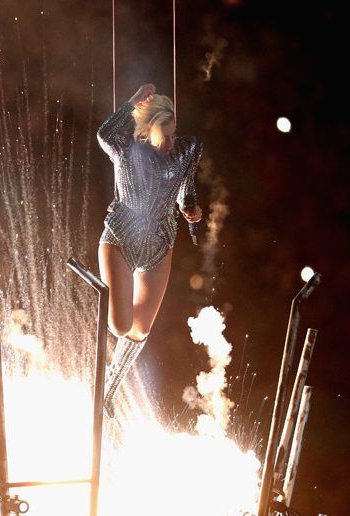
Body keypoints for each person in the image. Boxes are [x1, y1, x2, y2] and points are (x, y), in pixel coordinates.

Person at [97, 82, 203, 416]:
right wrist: (132, 101)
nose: (172, 143)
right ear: (148, 130)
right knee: (120, 325)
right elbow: (104, 132)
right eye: (165, 135)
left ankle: (107, 393)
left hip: (160, 241)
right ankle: (103, 372)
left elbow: (186, 189)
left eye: (175, 135)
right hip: (122, 238)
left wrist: (192, 209)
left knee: (141, 329)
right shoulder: (125, 148)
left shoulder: (185, 150)